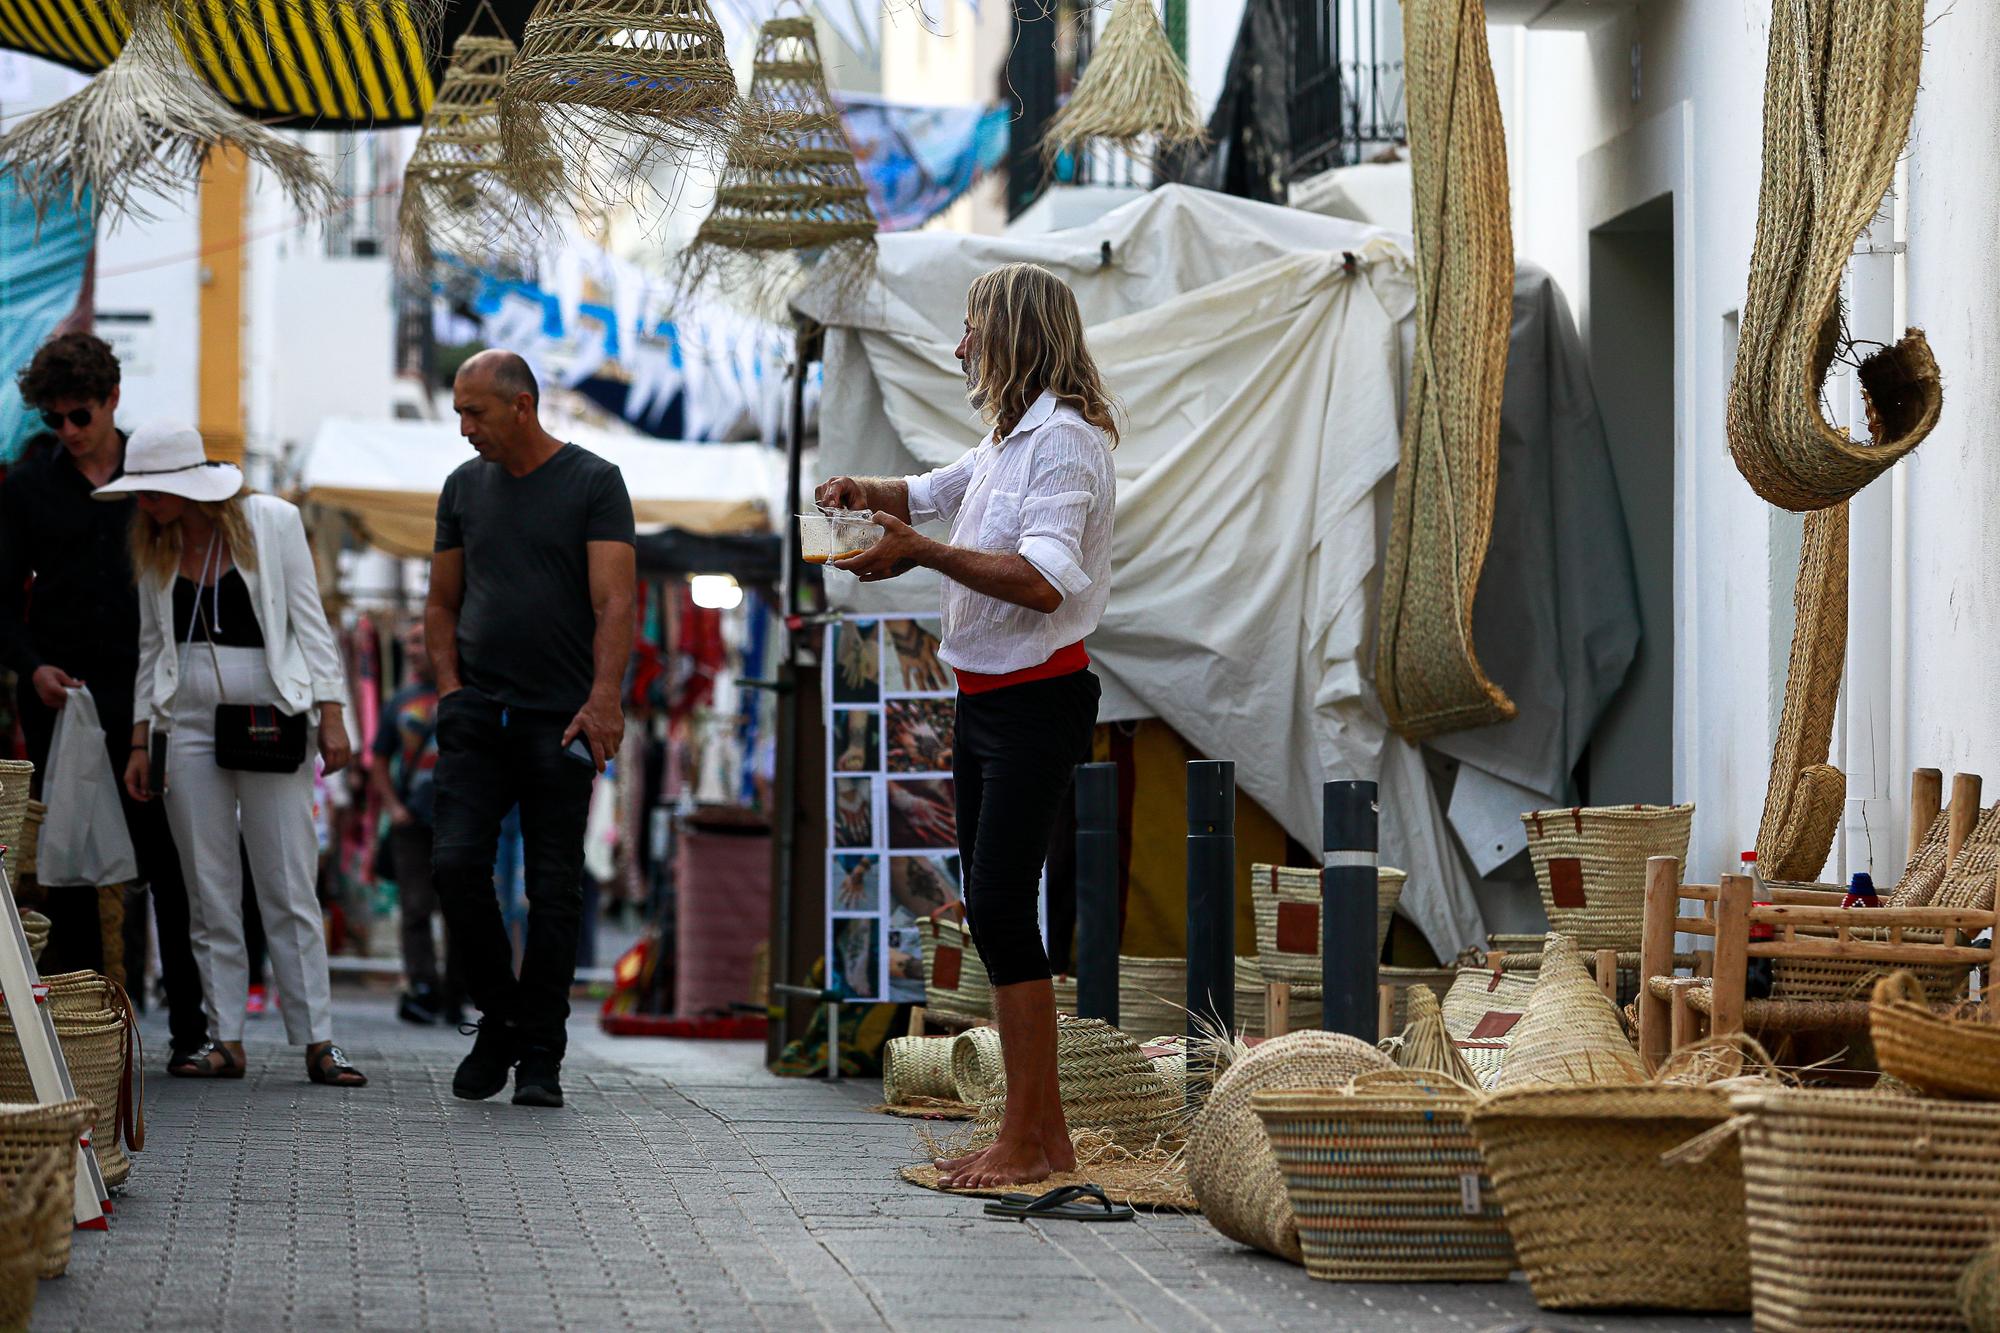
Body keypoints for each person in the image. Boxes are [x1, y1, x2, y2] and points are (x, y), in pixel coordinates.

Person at [817, 262, 1117, 1188]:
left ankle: (1028, 1140)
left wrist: (917, 552)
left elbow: (1041, 578)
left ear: (1015, 335)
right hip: (989, 700)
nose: (959, 347)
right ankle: (1042, 1137)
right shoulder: (1007, 441)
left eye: (972, 329)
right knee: (994, 913)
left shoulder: (1063, 444)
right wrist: (866, 491)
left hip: (1035, 699)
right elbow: (935, 490)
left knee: (996, 909)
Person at [104, 422, 366, 1088]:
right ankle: (225, 1036)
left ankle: (318, 1039)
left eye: (154, 490)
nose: (145, 503)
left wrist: (333, 710)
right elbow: (152, 649)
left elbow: (310, 620)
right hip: (184, 720)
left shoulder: (269, 521)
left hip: (273, 715)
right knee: (207, 886)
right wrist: (142, 739)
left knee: (288, 880)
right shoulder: (153, 541)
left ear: (189, 484)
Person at [427, 349, 634, 1109]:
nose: (463, 427)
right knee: (454, 865)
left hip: (561, 717)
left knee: (553, 891)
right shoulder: (462, 488)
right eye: (459, 410)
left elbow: (617, 601)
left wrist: (605, 696)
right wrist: (451, 691)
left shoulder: (593, 482)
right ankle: (503, 1019)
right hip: (478, 711)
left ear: (521, 406)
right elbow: (442, 602)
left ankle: (540, 1053)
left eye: (474, 411)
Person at [0, 333, 209, 1070]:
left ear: (113, 400)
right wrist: (33, 668)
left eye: (79, 415)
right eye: (53, 418)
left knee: (168, 859)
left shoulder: (154, 477)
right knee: (73, 867)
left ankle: (191, 1028)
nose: (66, 430)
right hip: (62, 695)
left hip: (148, 691)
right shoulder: (28, 486)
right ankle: (89, 1033)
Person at [370, 621, 461, 1026]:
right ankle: (424, 987)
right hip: (412, 822)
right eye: (405, 641)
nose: (410, 650)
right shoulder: (399, 702)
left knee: (461, 907)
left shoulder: (464, 694)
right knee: (415, 908)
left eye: (417, 641)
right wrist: (393, 807)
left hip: (457, 821)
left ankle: (457, 988)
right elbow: (376, 759)